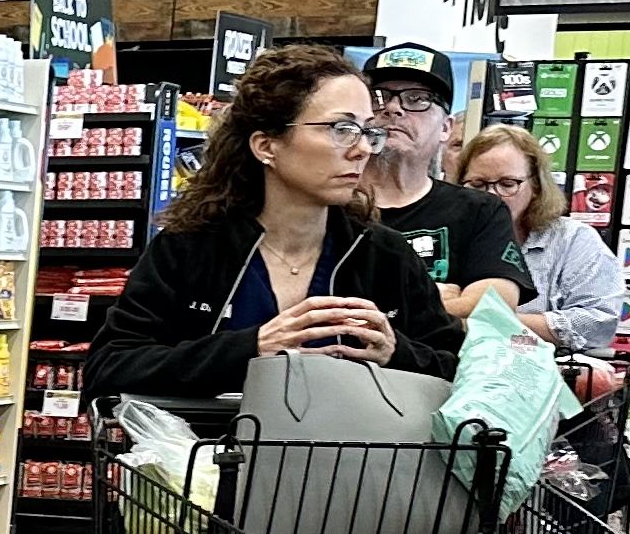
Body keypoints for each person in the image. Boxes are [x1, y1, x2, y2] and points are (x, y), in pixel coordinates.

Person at [87, 42, 460, 400]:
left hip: (355, 463)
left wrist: (396, 353)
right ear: (267, 146)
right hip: (205, 460)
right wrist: (252, 348)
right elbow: (110, 367)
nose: (362, 148)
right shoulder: (191, 247)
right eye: (341, 130)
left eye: (367, 131)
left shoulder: (383, 255)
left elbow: (455, 366)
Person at [357, 43, 531, 322]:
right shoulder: (331, 204)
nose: (393, 108)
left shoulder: (480, 211)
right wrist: (435, 298)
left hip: (436, 366)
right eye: (379, 97)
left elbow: (493, 310)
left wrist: (379, 305)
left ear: (445, 128)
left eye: (417, 99)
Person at [451, 124, 625, 350]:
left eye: (507, 184)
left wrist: (489, 321)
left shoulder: (572, 240)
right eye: (478, 185)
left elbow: (597, 322)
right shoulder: (444, 236)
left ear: (536, 186)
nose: (492, 196)